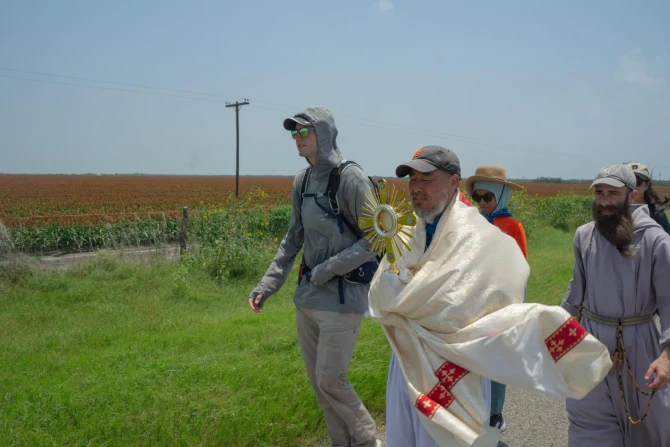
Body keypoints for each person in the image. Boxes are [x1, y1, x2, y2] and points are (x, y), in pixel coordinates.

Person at [367, 146, 612, 447]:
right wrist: (395, 290)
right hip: (405, 359)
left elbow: (497, 293)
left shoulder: (481, 238)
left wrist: (415, 301)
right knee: (402, 437)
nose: (416, 187)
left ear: (453, 182)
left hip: (456, 363)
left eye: (426, 178)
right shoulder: (406, 233)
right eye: (412, 179)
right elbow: (385, 294)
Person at [248, 107, 381, 447]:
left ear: (322, 134)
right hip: (307, 300)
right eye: (293, 133)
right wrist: (267, 285)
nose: (297, 138)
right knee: (321, 389)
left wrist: (328, 268)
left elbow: (376, 238)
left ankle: (368, 439)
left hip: (342, 301)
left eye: (303, 131)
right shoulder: (302, 181)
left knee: (331, 381)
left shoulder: (351, 178)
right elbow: (293, 238)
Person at [561, 164, 670, 447]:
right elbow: (576, 293)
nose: (604, 201)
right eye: (599, 192)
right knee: (587, 427)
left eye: (613, 193)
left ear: (632, 195)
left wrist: (666, 357)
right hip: (590, 344)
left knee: (645, 431)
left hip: (639, 346)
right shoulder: (584, 235)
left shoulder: (656, 240)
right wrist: (555, 335)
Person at [464, 165, 527, 431]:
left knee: (498, 360)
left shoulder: (513, 227)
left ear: (501, 195)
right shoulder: (472, 224)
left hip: (500, 305)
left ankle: (495, 414)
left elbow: (520, 271)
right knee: (473, 359)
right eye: (477, 197)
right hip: (473, 304)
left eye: (487, 197)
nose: (482, 203)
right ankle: (473, 411)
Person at [626, 162, 670, 235]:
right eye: (628, 181)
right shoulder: (615, 211)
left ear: (647, 184)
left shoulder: (657, 215)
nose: (632, 186)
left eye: (637, 181)